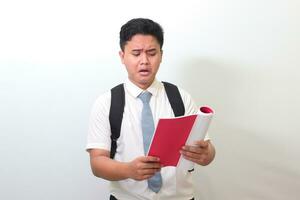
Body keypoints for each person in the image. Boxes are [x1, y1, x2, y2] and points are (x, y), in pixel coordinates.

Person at [86, 18, 216, 200]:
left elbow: (208, 152)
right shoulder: (106, 102)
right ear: (122, 56)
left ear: (161, 55)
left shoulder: (181, 97)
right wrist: (128, 170)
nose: (144, 61)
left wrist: (205, 154)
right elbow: (97, 162)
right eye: (136, 53)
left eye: (152, 53)